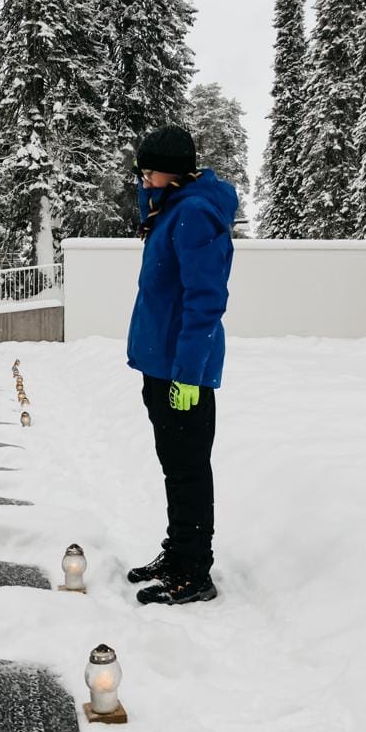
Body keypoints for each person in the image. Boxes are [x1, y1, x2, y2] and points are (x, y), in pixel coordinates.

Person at [126, 125, 237, 606]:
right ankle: (178, 552)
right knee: (175, 467)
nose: (143, 179)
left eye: (149, 171)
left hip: (182, 371)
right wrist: (151, 192)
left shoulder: (194, 214)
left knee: (189, 468)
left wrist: (189, 375)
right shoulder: (171, 209)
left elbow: (206, 302)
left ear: (172, 172)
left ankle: (194, 571)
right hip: (162, 366)